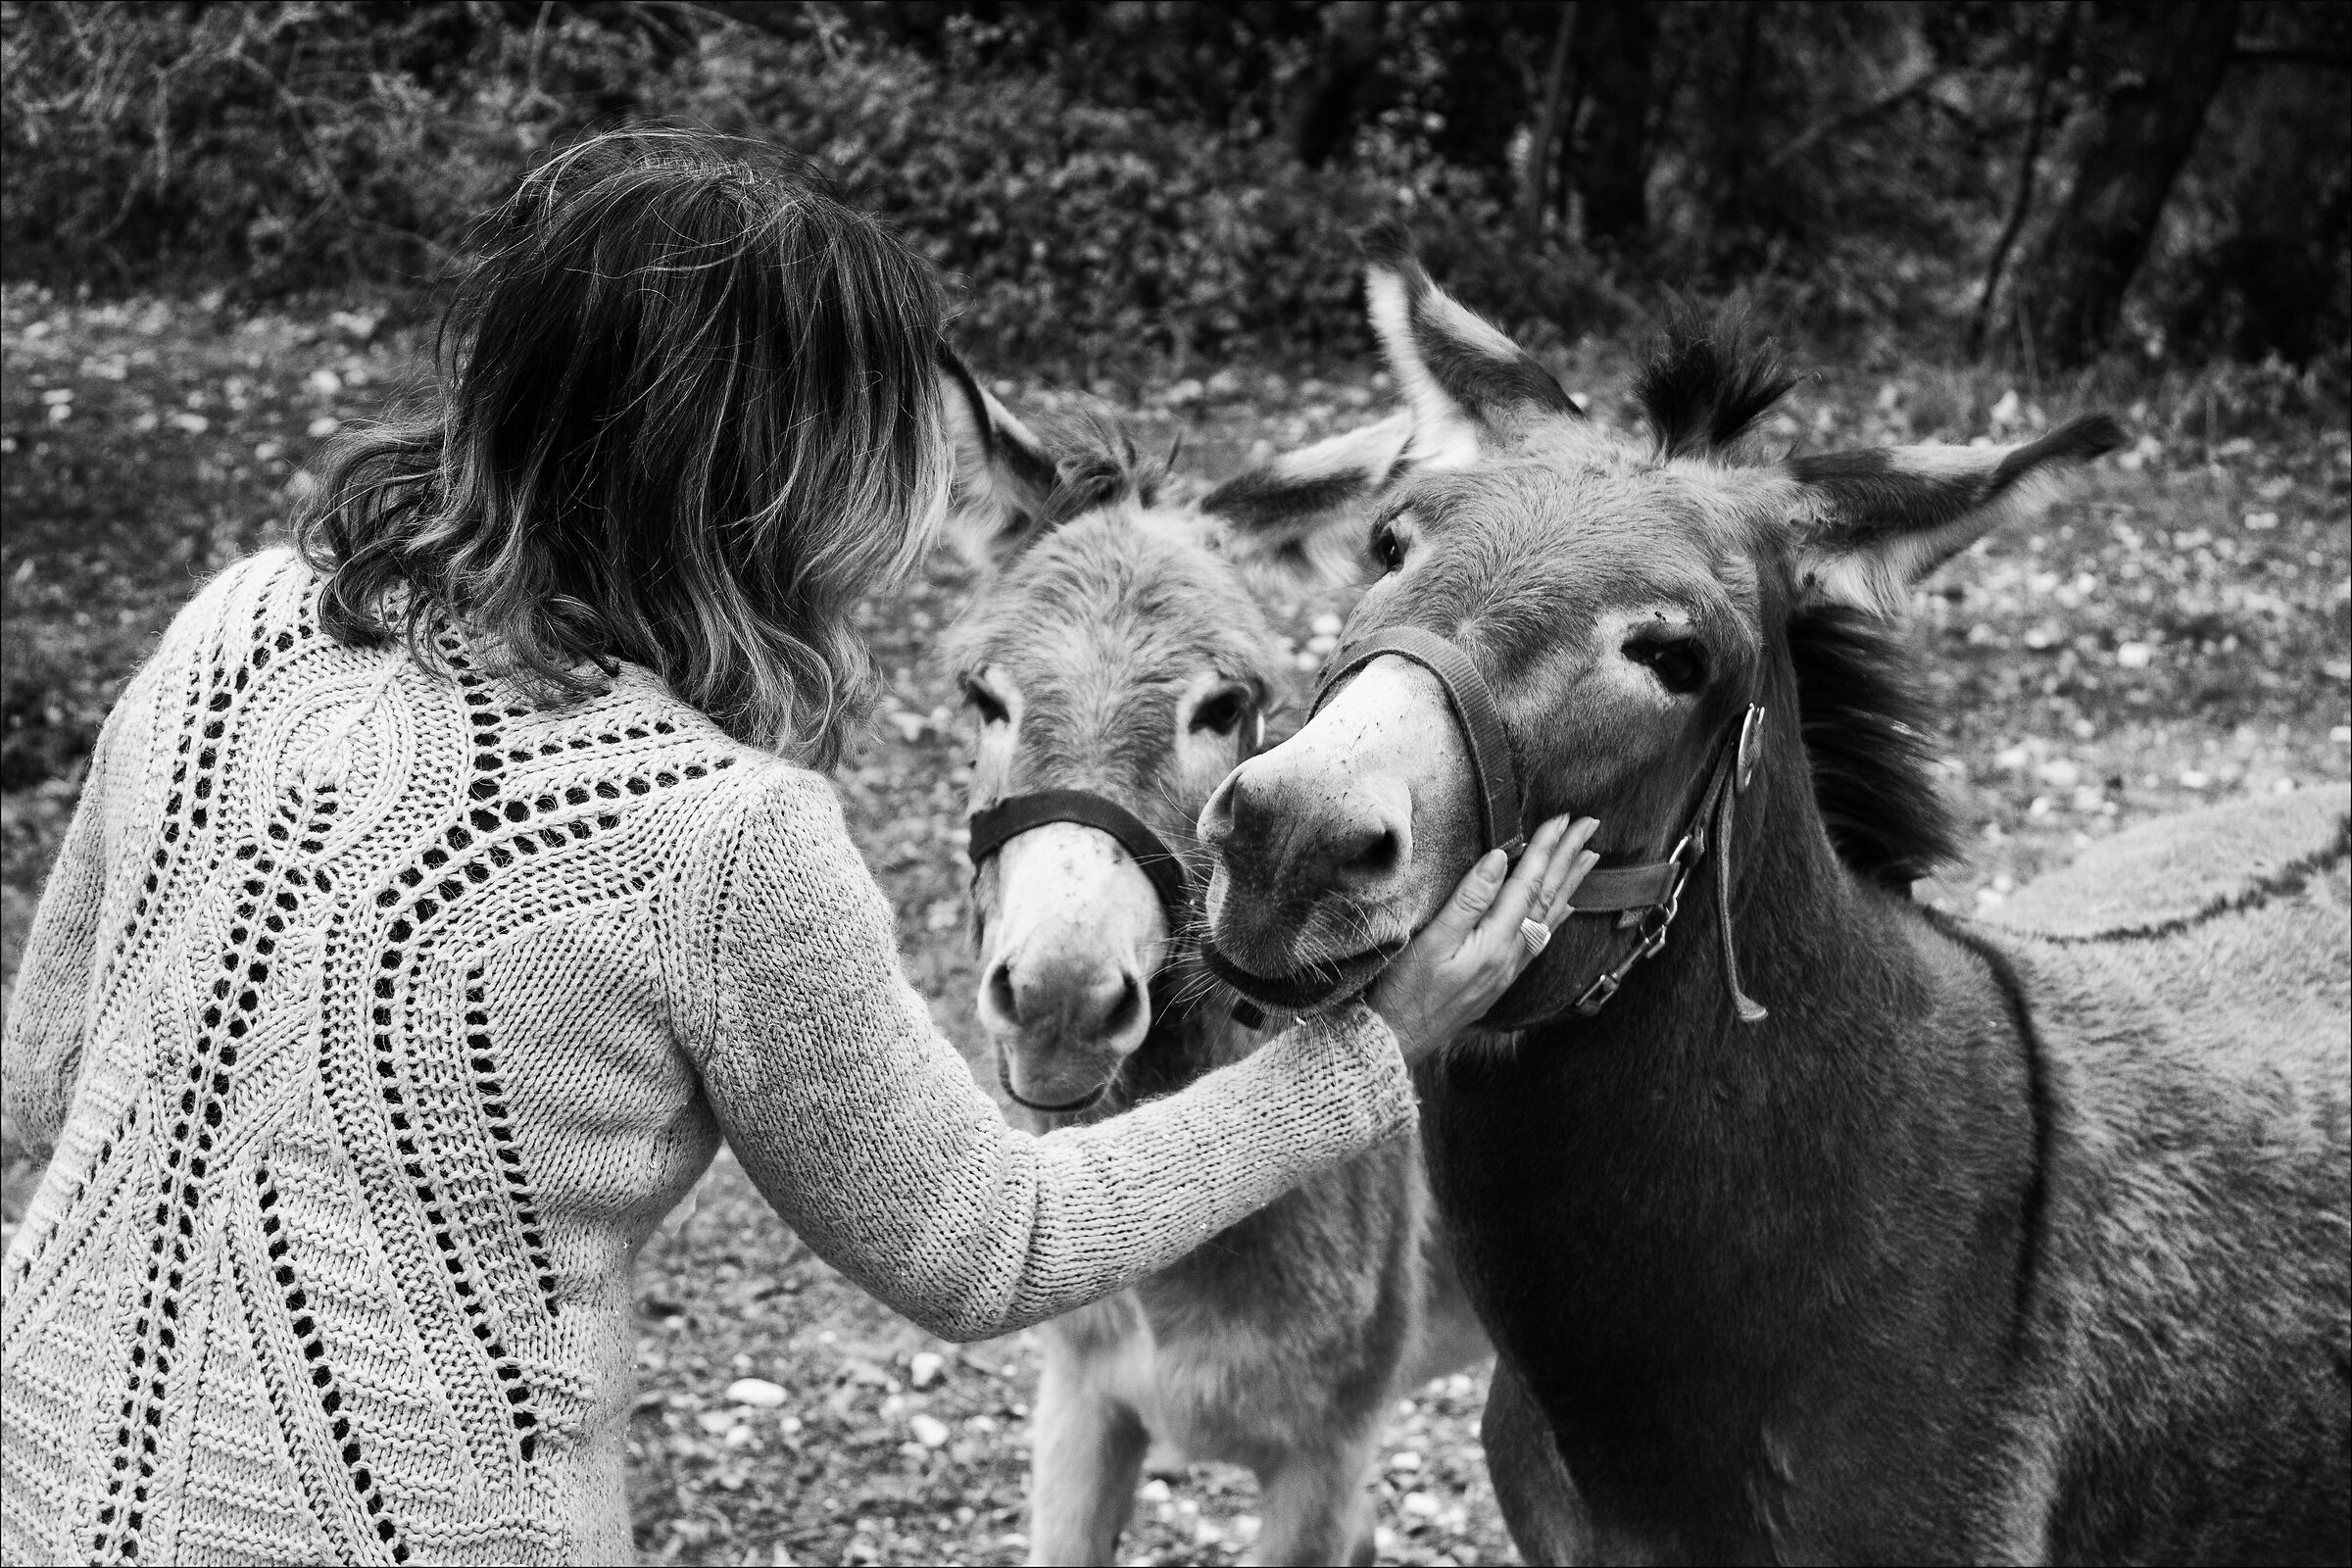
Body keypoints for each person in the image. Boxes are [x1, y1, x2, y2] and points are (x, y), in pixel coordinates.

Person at [0, 130, 1597, 1565]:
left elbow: (43, 1066)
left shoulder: (235, 623)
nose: (908, 512)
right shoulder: (721, 838)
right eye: (878, 451)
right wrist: (1373, 1045)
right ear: (769, 480)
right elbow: (986, 1246)